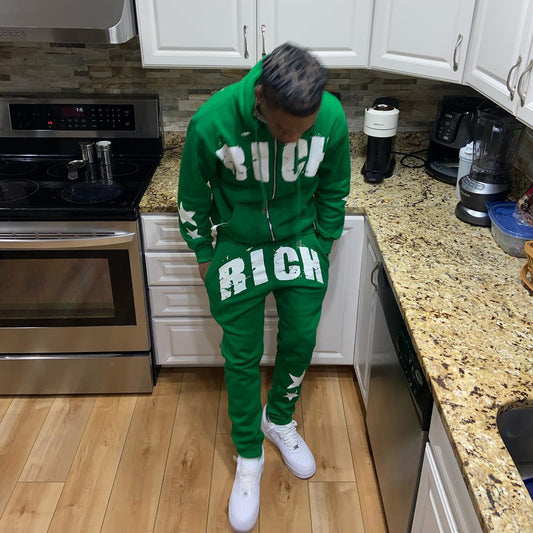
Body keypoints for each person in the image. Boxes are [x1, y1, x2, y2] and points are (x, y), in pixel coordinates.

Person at [178, 42, 351, 532]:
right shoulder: (211, 122)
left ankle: (279, 419)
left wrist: (323, 241)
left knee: (301, 337)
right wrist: (205, 254)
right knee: (241, 354)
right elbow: (192, 195)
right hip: (239, 242)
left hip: (301, 238)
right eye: (283, 130)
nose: (293, 139)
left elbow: (335, 186)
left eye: (303, 131)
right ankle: (248, 454)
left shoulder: (331, 116)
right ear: (260, 97)